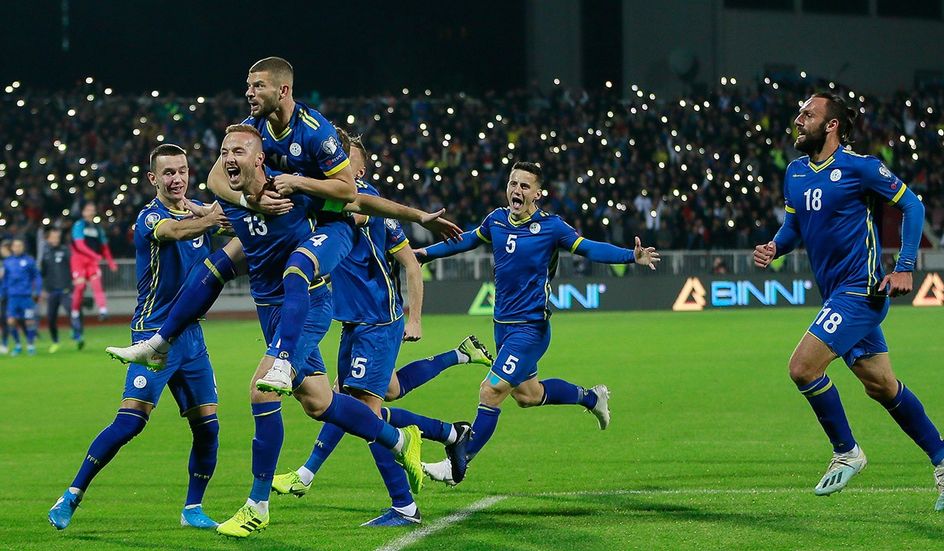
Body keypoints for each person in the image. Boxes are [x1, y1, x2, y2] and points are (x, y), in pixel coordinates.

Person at [106, 56, 459, 370]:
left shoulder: (316, 134)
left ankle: (283, 359)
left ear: (283, 90)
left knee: (297, 270)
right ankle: (159, 343)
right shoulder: (254, 126)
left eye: (258, 86)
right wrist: (251, 203)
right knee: (215, 268)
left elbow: (353, 195)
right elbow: (215, 178)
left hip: (323, 225)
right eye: (249, 86)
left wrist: (300, 182)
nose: (249, 93)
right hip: (279, 221)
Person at [206, 125, 433, 538]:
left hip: (323, 309)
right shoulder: (276, 185)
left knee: (263, 389)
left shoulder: (319, 194)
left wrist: (417, 216)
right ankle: (400, 440)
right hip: (288, 310)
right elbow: (218, 184)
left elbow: (361, 204)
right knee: (320, 401)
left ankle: (257, 506)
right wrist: (234, 207)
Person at [752, 92, 944, 511]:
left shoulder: (860, 167)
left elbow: (912, 205)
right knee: (881, 385)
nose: (798, 120)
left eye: (808, 114)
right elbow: (794, 228)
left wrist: (905, 266)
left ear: (831, 125)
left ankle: (847, 451)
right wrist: (775, 247)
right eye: (799, 114)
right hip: (836, 293)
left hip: (860, 290)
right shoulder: (795, 172)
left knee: (802, 368)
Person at [270, 131, 491, 526]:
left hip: (377, 322)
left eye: (347, 160)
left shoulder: (359, 202)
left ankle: (404, 505)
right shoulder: (342, 200)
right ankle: (451, 432)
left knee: (365, 413)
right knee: (360, 400)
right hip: (353, 323)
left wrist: (415, 316)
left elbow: (408, 261)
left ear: (358, 169)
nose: (337, 166)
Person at [416, 161, 660, 485]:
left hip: (531, 329)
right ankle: (592, 398)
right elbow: (466, 240)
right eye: (513, 183)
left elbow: (588, 248)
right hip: (502, 327)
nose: (517, 190)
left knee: (490, 390)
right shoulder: (496, 220)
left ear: (537, 194)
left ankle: (457, 464)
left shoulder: (551, 227)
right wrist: (424, 254)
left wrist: (631, 255)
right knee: (528, 395)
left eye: (524, 186)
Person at [48, 144, 227, 530]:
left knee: (208, 427)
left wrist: (225, 212)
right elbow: (176, 231)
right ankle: (72, 494)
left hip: (192, 336)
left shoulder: (199, 210)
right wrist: (211, 217)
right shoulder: (150, 217)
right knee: (131, 422)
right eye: (168, 173)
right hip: (153, 334)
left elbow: (229, 223)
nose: (176, 178)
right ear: (153, 179)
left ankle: (192, 509)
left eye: (182, 171)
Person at [70, 202, 118, 321]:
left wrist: (111, 262)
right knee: (80, 286)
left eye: (92, 209)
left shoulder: (98, 228)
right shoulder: (79, 225)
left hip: (91, 261)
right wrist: (95, 255)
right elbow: (79, 245)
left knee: (97, 284)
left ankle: (103, 311)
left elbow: (105, 247)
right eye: (88, 209)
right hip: (79, 259)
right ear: (83, 212)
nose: (91, 212)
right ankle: (75, 312)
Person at [40, 227, 83, 352]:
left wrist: (76, 279)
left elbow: (74, 266)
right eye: (53, 237)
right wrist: (43, 289)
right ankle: (55, 341)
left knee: (73, 312)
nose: (55, 239)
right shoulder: (45, 253)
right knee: (51, 318)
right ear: (47, 239)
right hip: (52, 291)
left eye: (57, 237)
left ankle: (78, 336)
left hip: (66, 289)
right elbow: (43, 273)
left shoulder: (65, 251)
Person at [2, 238, 41, 356]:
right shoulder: (7, 262)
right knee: (10, 321)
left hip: (26, 297)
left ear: (23, 247)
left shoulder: (29, 261)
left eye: (20, 245)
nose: (17, 248)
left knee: (29, 321)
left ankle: (30, 345)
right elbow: (5, 280)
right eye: (15, 246)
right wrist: (2, 293)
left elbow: (37, 276)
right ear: (12, 248)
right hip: (12, 297)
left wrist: (37, 291)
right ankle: (18, 345)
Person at [0, 240, 11, 354]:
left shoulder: (12, 262)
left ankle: (30, 341)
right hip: (3, 295)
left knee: (13, 319)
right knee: (3, 319)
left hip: (13, 294)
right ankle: (4, 343)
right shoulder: (2, 263)